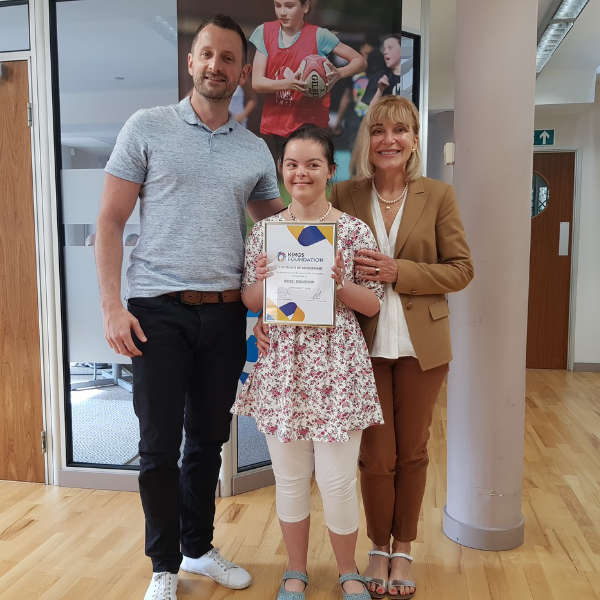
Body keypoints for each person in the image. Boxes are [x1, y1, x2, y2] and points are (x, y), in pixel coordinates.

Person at [95, 14, 283, 600]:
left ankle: (198, 549)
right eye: (207, 54)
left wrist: (327, 244)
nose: (215, 66)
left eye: (229, 59)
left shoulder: (254, 150)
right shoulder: (147, 127)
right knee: (156, 446)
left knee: (207, 441)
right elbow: (109, 221)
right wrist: (110, 308)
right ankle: (164, 565)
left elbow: (280, 232)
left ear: (243, 72)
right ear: (190, 60)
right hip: (157, 313)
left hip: (226, 315)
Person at [255, 96, 474, 599]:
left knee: (412, 452)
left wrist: (402, 272)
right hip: (359, 348)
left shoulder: (438, 195)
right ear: (366, 142)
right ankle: (375, 549)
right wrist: (263, 316)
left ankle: (404, 549)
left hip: (421, 342)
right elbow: (295, 255)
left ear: (415, 139)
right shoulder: (347, 194)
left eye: (401, 130)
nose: (389, 140)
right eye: (379, 130)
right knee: (375, 457)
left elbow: (461, 269)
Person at [232, 124, 384, 600]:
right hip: (283, 369)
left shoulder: (354, 230)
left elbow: (373, 304)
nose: (301, 172)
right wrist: (258, 280)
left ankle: (347, 569)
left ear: (330, 171)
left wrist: (339, 282)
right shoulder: (265, 233)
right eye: (292, 164)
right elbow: (251, 300)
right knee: (291, 479)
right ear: (282, 170)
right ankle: (295, 571)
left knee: (338, 481)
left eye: (312, 164)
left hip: (338, 368)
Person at [250, 0, 367, 148]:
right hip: (281, 125)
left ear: (305, 7)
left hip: (313, 125)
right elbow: (257, 83)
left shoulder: (320, 35)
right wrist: (289, 83)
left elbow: (360, 61)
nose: (282, 12)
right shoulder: (264, 32)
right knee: (289, 170)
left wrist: (339, 73)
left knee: (312, 168)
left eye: (289, 6)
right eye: (278, 5)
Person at [363, 34, 403, 107]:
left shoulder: (415, 77)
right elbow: (372, 110)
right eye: (384, 49)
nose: (385, 52)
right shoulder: (378, 77)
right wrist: (380, 90)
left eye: (390, 48)